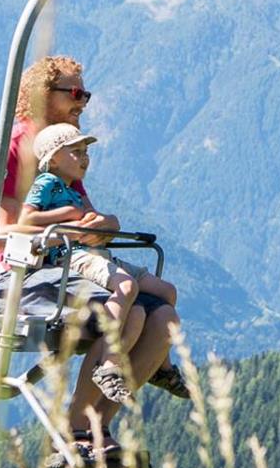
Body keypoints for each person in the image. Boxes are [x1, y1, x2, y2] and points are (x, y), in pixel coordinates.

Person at [0, 55, 188, 467]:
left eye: (84, 93)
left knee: (161, 319)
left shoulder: (64, 152)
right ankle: (74, 431)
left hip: (68, 269)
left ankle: (92, 426)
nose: (82, 101)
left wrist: (99, 224)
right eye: (73, 92)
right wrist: (66, 226)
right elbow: (3, 229)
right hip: (24, 276)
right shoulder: (10, 147)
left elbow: (85, 220)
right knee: (127, 314)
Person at [20, 122, 180, 404]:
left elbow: (93, 220)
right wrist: (68, 215)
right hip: (73, 255)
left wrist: (100, 222)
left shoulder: (75, 191)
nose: (84, 158)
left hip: (97, 253)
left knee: (166, 292)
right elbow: (26, 220)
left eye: (86, 152)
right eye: (76, 152)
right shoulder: (46, 183)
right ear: (53, 158)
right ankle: (108, 364)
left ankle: (161, 367)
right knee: (127, 287)